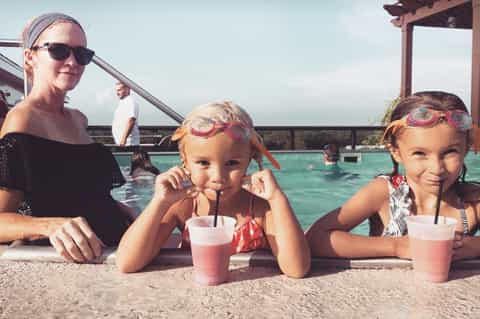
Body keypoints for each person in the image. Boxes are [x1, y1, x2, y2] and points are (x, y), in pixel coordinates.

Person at [116, 101, 311, 277]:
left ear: (250, 159)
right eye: (203, 162)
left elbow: (296, 268)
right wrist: (159, 202)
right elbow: (127, 262)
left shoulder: (260, 209)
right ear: (185, 160)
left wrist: (278, 200)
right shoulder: (184, 205)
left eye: (232, 163)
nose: (218, 177)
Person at [0, 13, 135, 263]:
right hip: (78, 258)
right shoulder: (22, 120)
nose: (73, 62)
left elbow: (75, 190)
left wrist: (119, 208)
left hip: (115, 249)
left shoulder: (78, 119)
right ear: (30, 57)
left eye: (82, 54)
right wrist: (49, 226)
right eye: (59, 51)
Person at [306, 91, 480, 261]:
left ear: (466, 149)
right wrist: (396, 246)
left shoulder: (472, 202)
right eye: (420, 153)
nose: (437, 168)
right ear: (396, 152)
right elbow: (315, 239)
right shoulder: (385, 193)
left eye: (450, 152)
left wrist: (474, 246)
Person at [112, 82, 140, 146]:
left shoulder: (130, 102)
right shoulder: (123, 102)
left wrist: (123, 139)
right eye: (116, 90)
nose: (117, 93)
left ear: (127, 89)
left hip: (128, 144)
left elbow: (131, 120)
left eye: (119, 90)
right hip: (122, 143)